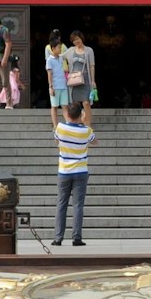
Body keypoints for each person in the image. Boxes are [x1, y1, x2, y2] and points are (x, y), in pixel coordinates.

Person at [52, 100, 93, 247]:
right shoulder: (86, 130)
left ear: (68, 114)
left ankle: (58, 238)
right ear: (80, 114)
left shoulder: (60, 128)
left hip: (64, 171)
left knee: (61, 204)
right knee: (78, 206)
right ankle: (76, 237)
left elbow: (56, 140)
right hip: (81, 171)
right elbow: (94, 141)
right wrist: (84, 121)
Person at [62, 30, 97, 125]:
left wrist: (93, 81)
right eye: (74, 40)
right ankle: (77, 124)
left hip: (86, 80)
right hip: (74, 81)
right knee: (75, 104)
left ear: (81, 38)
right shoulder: (70, 50)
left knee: (86, 103)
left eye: (77, 39)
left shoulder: (89, 50)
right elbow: (60, 57)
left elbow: (91, 65)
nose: (76, 42)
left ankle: (88, 125)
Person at [44, 31, 69, 125]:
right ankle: (55, 126)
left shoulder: (61, 58)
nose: (60, 49)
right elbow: (49, 74)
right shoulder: (49, 60)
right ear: (53, 48)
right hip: (55, 86)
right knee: (54, 107)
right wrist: (50, 87)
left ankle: (68, 124)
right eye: (59, 48)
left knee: (65, 106)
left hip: (63, 86)